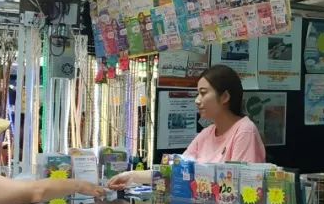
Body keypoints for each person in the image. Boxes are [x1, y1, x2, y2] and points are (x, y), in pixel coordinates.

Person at [108, 65, 265, 189]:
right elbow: (174, 171)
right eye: (197, 93)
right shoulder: (206, 133)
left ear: (224, 97)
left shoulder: (245, 131)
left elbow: (243, 186)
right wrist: (131, 176)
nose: (197, 100)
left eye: (203, 93)